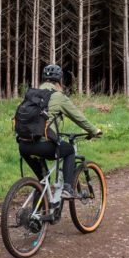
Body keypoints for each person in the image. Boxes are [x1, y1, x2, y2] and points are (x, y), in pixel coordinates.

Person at [18, 64, 102, 199]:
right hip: (43, 145)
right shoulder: (58, 96)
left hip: (24, 145)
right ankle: (68, 188)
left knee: (42, 181)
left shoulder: (31, 95)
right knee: (69, 151)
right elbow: (79, 117)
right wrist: (94, 131)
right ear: (59, 81)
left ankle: (36, 217)